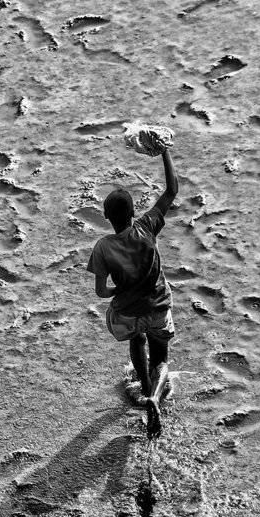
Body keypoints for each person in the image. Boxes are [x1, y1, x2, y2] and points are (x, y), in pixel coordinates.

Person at [86, 141, 178, 436]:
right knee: (160, 358)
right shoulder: (147, 226)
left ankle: (145, 387)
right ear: (133, 212)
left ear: (106, 216)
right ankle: (155, 397)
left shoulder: (103, 247)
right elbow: (171, 191)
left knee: (136, 340)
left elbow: (101, 292)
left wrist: (118, 291)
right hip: (158, 307)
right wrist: (164, 151)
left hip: (128, 314)